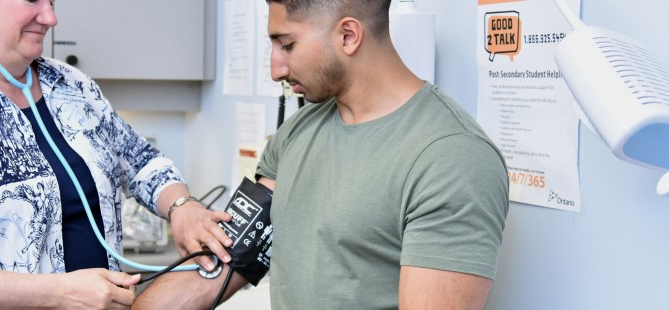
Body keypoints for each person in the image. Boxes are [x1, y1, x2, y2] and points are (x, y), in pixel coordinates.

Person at [134, 0, 509, 309]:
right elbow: (228, 263)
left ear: (348, 35)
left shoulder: (452, 158)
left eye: (287, 44)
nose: (275, 68)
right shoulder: (297, 131)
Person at [0, 0, 234, 309]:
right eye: (32, 0)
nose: (50, 18)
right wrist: (62, 293)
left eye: (53, 1)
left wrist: (181, 206)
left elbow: (141, 161)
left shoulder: (73, 86)